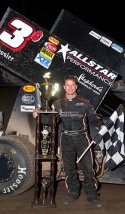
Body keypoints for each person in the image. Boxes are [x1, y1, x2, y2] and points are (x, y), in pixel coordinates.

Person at [33, 75, 103, 207]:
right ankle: (73, 193)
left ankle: (92, 196)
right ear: (64, 87)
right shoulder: (57, 104)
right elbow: (51, 122)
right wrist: (38, 116)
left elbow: (94, 117)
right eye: (67, 85)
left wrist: (100, 125)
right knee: (69, 169)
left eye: (73, 85)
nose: (70, 87)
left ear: (76, 87)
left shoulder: (85, 102)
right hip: (66, 139)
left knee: (88, 169)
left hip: (83, 138)